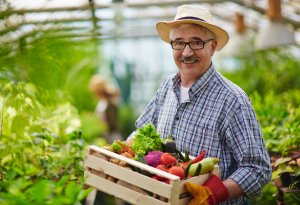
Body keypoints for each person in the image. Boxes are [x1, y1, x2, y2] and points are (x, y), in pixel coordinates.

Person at [128, 4, 272, 205]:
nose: (186, 52)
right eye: (179, 43)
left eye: (196, 42)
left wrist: (213, 194)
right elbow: (142, 131)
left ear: (212, 47)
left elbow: (258, 169)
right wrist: (120, 153)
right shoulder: (167, 87)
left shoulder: (232, 100)